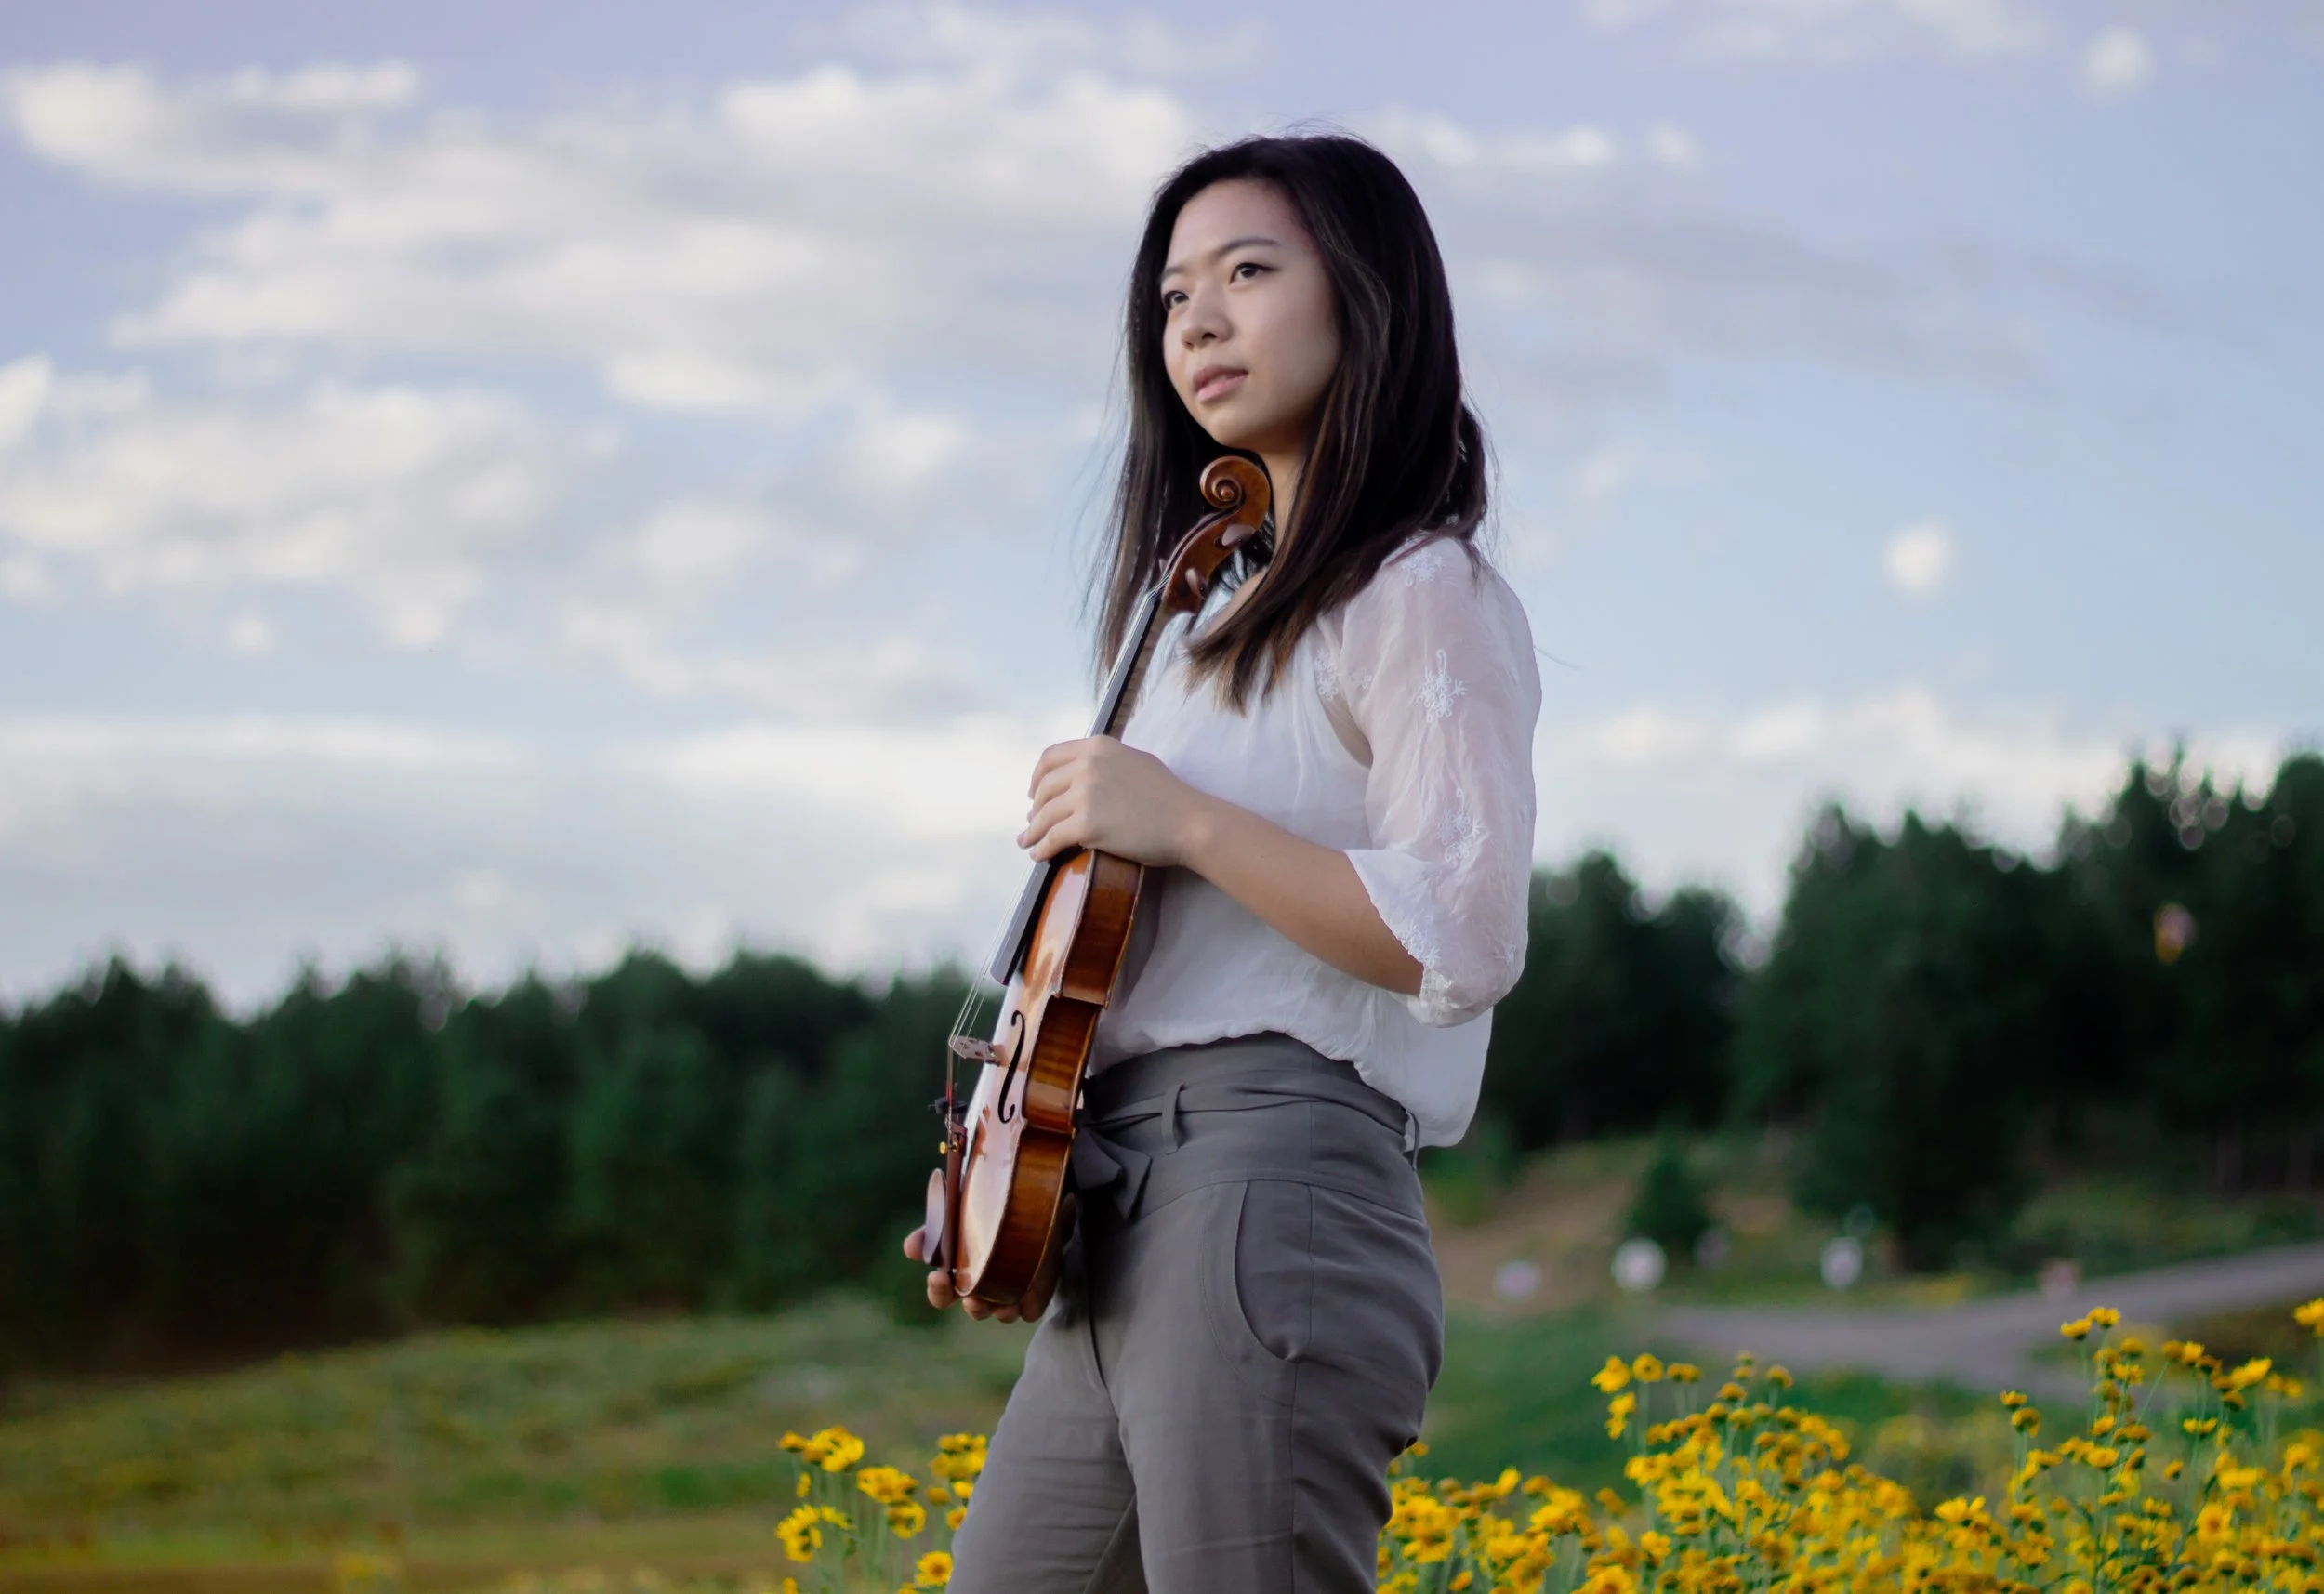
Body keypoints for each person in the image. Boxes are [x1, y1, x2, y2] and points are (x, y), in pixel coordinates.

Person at [903, 132, 1541, 1594]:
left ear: (1366, 299)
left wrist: (1182, 821)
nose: (1197, 318)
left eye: (1249, 272)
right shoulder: (1195, 629)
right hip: (1118, 1198)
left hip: (1275, 1185)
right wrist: (1008, 1142)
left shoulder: (1418, 593)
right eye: (1177, 291)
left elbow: (1464, 929)